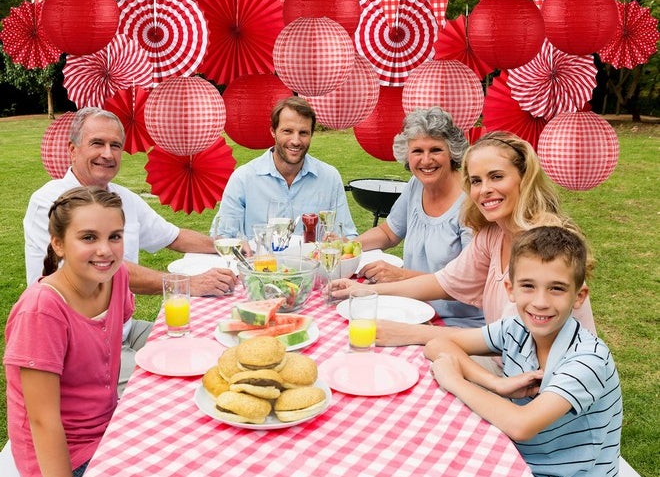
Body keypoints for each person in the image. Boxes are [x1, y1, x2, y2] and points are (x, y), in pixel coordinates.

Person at [425, 225, 622, 477]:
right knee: (435, 471)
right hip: (521, 465)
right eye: (528, 286)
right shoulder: (516, 327)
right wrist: (496, 383)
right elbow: (439, 344)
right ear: (511, 290)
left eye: (556, 288)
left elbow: (521, 426)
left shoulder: (587, 360)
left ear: (579, 295)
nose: (540, 302)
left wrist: (456, 380)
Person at [24, 107, 237, 388]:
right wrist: (188, 284)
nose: (108, 154)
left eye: (116, 146)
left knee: (208, 352)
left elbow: (172, 236)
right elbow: (95, 273)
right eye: (97, 143)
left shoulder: (121, 198)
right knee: (170, 388)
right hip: (77, 343)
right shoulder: (51, 203)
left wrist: (229, 247)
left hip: (122, 330)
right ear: (72, 150)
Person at [329, 131, 596, 345]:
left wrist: (411, 334)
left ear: (524, 178)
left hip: (545, 388)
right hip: (508, 367)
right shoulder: (494, 234)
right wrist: (362, 291)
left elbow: (509, 341)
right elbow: (442, 282)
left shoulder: (544, 248)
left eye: (497, 177)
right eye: (476, 181)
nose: (484, 190)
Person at [5, 187, 135, 477]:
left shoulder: (116, 277)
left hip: (108, 430)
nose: (105, 250)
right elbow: (42, 421)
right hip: (61, 464)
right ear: (58, 243)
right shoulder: (42, 311)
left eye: (115, 236)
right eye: (88, 237)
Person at [354, 107, 484, 327]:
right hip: (412, 309)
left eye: (435, 150)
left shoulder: (471, 202)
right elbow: (388, 232)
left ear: (452, 152)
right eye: (417, 151)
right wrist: (346, 247)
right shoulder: (416, 185)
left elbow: (468, 284)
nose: (426, 160)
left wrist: (400, 275)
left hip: (457, 322)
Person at [210, 95, 358, 240]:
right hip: (261, 264)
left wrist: (339, 241)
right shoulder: (243, 178)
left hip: (312, 264)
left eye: (303, 133)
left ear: (312, 134)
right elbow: (223, 237)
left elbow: (346, 235)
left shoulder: (329, 178)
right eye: (287, 131)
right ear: (273, 131)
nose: (296, 141)